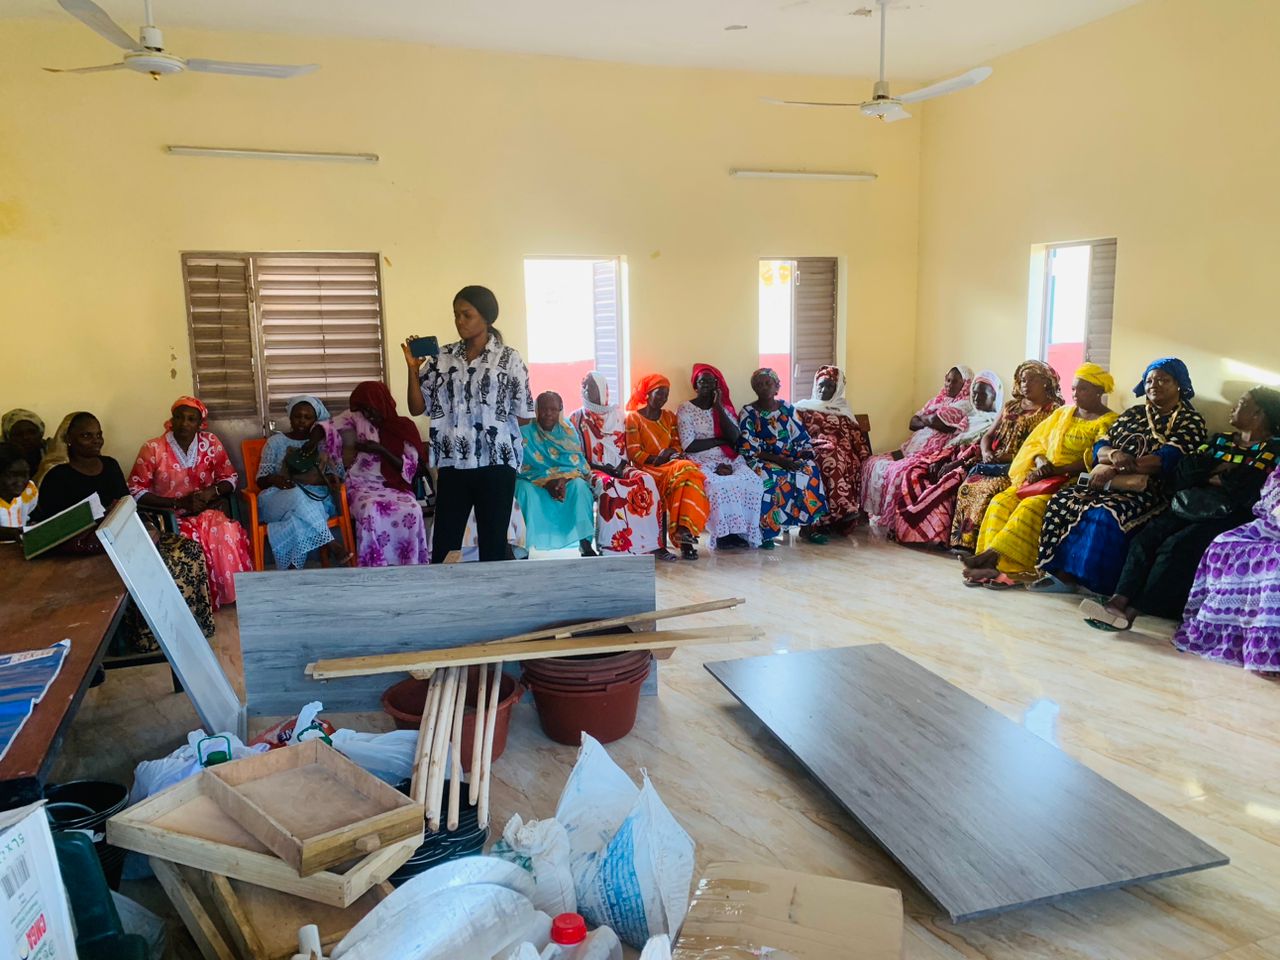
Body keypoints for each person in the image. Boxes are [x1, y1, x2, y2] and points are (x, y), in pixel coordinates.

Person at [1080, 386, 1280, 629]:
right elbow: (1184, 472)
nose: (1233, 408)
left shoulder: (1273, 450)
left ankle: (1131, 613)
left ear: (1258, 413)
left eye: (1241, 403)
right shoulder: (1220, 439)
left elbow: (1250, 487)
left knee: (1176, 546)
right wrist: (1223, 472)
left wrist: (1211, 470)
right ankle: (1117, 601)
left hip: (1231, 514)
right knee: (1145, 539)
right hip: (1190, 502)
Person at [33, 411, 214, 647]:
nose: (96, 440)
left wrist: (134, 518)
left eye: (98, 435)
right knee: (150, 563)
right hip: (87, 545)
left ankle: (188, 627)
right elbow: (54, 523)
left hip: (122, 534)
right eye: (87, 436)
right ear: (68, 439)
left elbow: (127, 502)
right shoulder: (57, 476)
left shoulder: (110, 466)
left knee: (189, 551)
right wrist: (95, 517)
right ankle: (147, 636)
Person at [1034, 358, 1208, 595]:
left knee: (1106, 513)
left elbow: (1166, 459)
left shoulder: (1190, 420)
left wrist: (1115, 468)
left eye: (1163, 380)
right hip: (1109, 481)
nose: (1154, 385)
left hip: (1150, 488)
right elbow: (1100, 446)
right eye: (1149, 380)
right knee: (1062, 499)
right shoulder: (1133, 414)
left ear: (1179, 383)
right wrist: (1113, 454)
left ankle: (1092, 582)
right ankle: (1057, 572)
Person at [405, 285, 535, 563]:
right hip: (453, 462)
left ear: (486, 317)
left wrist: (490, 414)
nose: (459, 321)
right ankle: (448, 590)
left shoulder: (509, 359)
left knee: (493, 544)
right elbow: (416, 407)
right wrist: (413, 370)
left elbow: (525, 414)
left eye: (467, 315)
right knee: (445, 544)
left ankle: (491, 591)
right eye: (456, 315)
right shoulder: (442, 358)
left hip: (497, 463)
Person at [963, 364, 1119, 586]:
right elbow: (1036, 443)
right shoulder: (1062, 413)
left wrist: (1056, 470)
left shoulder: (1109, 421)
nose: (1075, 394)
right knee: (1001, 501)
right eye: (1074, 389)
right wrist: (1041, 461)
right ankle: (989, 567)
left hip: (1071, 482)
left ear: (1099, 391)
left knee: (1030, 506)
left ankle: (1010, 569)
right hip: (1043, 476)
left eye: (1083, 389)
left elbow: (1094, 458)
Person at [129, 397, 253, 609]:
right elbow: (135, 490)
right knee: (190, 543)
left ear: (200, 424)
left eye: (191, 419)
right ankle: (199, 603)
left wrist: (210, 493)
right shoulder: (153, 448)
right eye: (179, 417)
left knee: (226, 532)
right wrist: (178, 503)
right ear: (171, 420)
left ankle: (229, 595)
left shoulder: (210, 442)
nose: (184, 423)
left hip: (207, 512)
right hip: (170, 516)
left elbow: (230, 478)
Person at [1173, 469, 1280, 673]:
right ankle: (1249, 643)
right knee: (1223, 544)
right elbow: (1273, 489)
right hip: (1274, 526)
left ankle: (1269, 650)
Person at [949, 361, 1064, 551]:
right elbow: (988, 436)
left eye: (1031, 380)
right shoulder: (1011, 406)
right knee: (967, 486)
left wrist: (1014, 458)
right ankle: (963, 542)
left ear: (1045, 382)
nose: (1025, 384)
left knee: (991, 489)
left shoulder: (1053, 411)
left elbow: (1048, 446)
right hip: (994, 462)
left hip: (1023, 466)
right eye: (1023, 380)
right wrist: (986, 452)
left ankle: (982, 546)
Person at [891, 370, 1004, 545]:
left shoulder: (997, 422)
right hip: (949, 456)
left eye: (983, 394)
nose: (976, 397)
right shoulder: (970, 417)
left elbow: (979, 451)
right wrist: (940, 460)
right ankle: (906, 529)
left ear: (995, 396)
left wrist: (955, 463)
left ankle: (931, 535)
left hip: (968, 463)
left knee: (945, 484)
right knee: (914, 473)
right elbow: (951, 444)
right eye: (974, 392)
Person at [861, 365, 973, 535]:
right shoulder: (938, 400)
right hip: (910, 448)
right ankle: (868, 514)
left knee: (898, 471)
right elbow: (913, 423)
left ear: (965, 384)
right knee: (871, 462)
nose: (949, 385)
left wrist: (928, 418)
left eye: (955, 381)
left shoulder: (964, 404)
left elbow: (937, 422)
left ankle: (894, 522)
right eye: (948, 380)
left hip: (930, 453)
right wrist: (932, 419)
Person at [328, 381, 429, 567]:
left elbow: (410, 468)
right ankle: (374, 564)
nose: (368, 415)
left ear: (381, 403)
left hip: (394, 485)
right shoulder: (357, 419)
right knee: (370, 509)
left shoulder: (404, 426)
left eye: (370, 409)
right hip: (361, 484)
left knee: (413, 509)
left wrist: (381, 450)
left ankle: (409, 563)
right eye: (364, 410)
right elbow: (328, 427)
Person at [570, 372, 668, 559]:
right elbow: (577, 456)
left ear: (603, 390)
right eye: (585, 387)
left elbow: (629, 446)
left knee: (646, 481)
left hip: (621, 466)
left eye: (592, 386)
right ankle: (611, 546)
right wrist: (603, 468)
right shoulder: (576, 418)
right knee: (609, 487)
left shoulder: (619, 415)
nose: (586, 390)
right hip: (592, 469)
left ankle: (650, 543)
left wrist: (621, 467)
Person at [676, 364, 767, 549]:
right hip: (700, 459)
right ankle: (722, 535)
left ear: (717, 385)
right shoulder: (686, 408)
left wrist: (718, 407)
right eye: (702, 381)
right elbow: (689, 445)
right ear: (695, 386)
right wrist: (719, 441)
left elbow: (734, 438)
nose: (706, 385)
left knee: (753, 482)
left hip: (728, 458)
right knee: (717, 485)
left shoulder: (724, 408)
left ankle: (740, 533)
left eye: (711, 382)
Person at [738, 367, 829, 546]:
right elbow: (748, 446)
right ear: (754, 389)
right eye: (759, 384)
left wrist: (801, 455)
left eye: (768, 383)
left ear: (777, 386)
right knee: (768, 478)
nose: (764, 387)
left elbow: (800, 436)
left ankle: (808, 527)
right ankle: (767, 533)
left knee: (809, 470)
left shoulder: (787, 408)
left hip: (789, 456)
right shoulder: (748, 412)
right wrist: (779, 460)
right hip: (762, 459)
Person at [256, 395, 346, 570]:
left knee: (296, 521)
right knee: (297, 494)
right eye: (297, 416)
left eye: (307, 417)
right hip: (278, 499)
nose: (302, 421)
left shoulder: (324, 444)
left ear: (315, 420)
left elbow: (339, 477)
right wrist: (275, 479)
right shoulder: (275, 442)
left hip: (315, 499)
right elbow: (261, 479)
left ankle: (292, 570)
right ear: (290, 417)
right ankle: (332, 543)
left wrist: (313, 479)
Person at [625, 374, 708, 560]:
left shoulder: (669, 417)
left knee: (688, 479)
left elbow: (677, 445)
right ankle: (684, 535)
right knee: (688, 470)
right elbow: (634, 453)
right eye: (659, 393)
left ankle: (684, 531)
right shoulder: (634, 418)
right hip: (648, 468)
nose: (663, 398)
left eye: (666, 394)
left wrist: (671, 453)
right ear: (647, 394)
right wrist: (658, 458)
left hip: (671, 466)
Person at [794, 365, 872, 533]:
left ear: (838, 389)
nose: (824, 390)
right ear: (815, 385)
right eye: (821, 385)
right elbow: (795, 434)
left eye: (830, 386)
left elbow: (856, 437)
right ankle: (841, 511)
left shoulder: (843, 409)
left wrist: (866, 457)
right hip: (814, 448)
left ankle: (834, 519)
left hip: (844, 453)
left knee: (841, 459)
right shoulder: (803, 408)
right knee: (830, 456)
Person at [517, 392, 597, 553]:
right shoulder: (525, 432)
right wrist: (547, 482)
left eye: (553, 409)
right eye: (544, 409)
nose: (548, 413)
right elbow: (520, 467)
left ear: (560, 409)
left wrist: (563, 480)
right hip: (535, 482)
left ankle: (585, 543)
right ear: (536, 409)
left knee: (580, 487)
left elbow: (577, 463)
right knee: (522, 489)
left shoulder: (567, 430)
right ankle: (521, 548)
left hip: (564, 481)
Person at [0, 442, 37, 540]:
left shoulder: (29, 492)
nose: (20, 482)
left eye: (25, 475)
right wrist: (10, 533)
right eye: (13, 475)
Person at [2, 408, 46, 478]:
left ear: (40, 434)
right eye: (18, 434)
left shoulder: (52, 454)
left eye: (32, 432)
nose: (26, 437)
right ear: (8, 438)